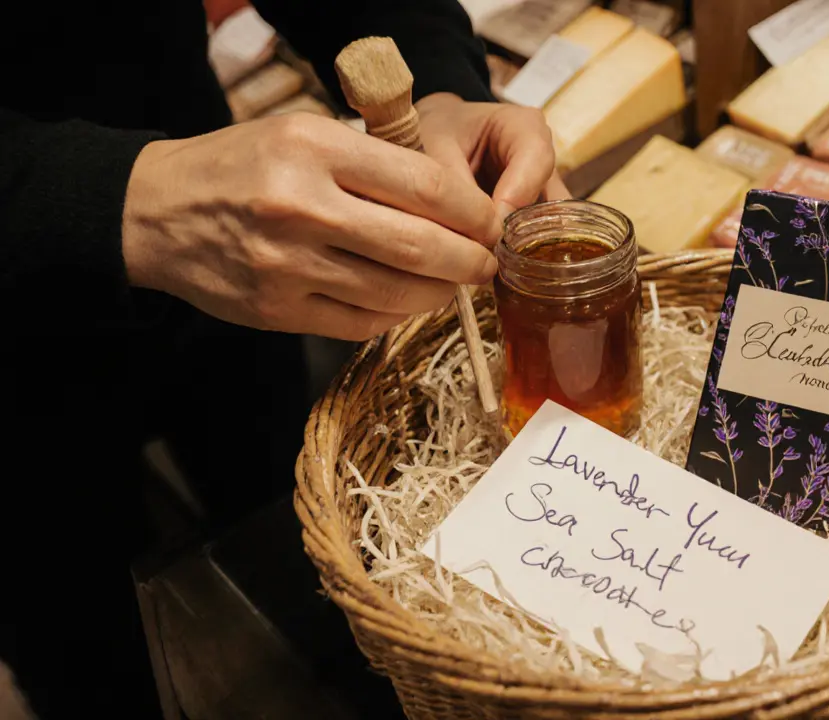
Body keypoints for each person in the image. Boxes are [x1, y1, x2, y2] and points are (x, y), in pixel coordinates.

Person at [0, 0, 564, 716]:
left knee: (307, 560)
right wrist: (113, 199)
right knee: (87, 647)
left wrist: (433, 84)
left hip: (232, 263)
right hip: (19, 381)